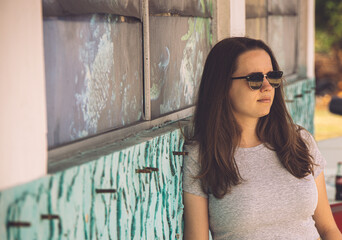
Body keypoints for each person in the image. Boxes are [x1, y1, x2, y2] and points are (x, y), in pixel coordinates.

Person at [182, 37, 342, 240]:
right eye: (255, 79)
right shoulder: (202, 155)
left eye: (272, 77)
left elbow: (328, 229)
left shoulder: (300, 141)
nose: (267, 87)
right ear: (223, 86)